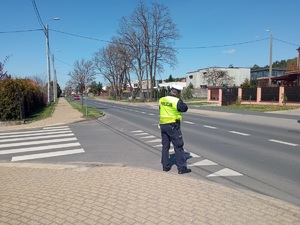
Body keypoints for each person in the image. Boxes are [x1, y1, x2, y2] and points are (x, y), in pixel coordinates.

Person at [159, 84, 192, 174]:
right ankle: (182, 168)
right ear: (178, 92)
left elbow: (161, 109)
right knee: (178, 146)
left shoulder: (162, 99)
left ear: (171, 90)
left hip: (163, 125)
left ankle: (165, 166)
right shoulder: (177, 101)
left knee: (165, 146)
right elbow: (184, 108)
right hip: (173, 125)